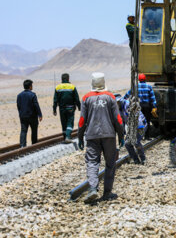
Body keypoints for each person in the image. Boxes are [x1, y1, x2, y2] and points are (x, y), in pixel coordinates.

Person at [78, 72, 124, 203]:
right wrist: (121, 135)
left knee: (92, 162)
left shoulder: (86, 98)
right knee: (110, 163)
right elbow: (118, 119)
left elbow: (82, 120)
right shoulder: (110, 97)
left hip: (92, 135)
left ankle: (93, 188)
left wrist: (80, 137)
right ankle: (107, 192)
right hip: (109, 134)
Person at [123, 73, 157, 139]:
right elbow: (152, 98)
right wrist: (154, 106)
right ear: (145, 79)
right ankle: (147, 136)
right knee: (147, 120)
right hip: (147, 106)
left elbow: (127, 94)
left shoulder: (135, 87)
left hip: (138, 106)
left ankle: (139, 136)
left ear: (139, 79)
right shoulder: (149, 87)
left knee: (138, 120)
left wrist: (123, 99)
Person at [117, 96, 147, 165]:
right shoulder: (119, 109)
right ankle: (136, 160)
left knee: (136, 142)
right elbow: (123, 121)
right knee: (127, 144)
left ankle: (143, 159)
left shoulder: (129, 105)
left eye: (117, 103)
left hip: (140, 125)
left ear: (120, 101)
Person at [53, 73, 81, 143]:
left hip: (61, 109)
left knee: (64, 123)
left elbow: (55, 100)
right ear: (68, 78)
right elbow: (76, 98)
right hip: (70, 108)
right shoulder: (72, 87)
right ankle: (68, 137)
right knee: (70, 122)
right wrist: (79, 107)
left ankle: (65, 137)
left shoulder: (58, 87)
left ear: (61, 79)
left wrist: (54, 109)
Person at [16, 79, 43, 147]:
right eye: (32, 85)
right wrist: (40, 114)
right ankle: (34, 145)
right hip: (32, 116)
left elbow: (18, 106)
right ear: (30, 86)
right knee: (34, 130)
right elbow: (36, 105)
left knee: (23, 131)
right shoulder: (32, 95)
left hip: (23, 116)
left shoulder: (19, 95)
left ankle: (22, 146)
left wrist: (20, 114)